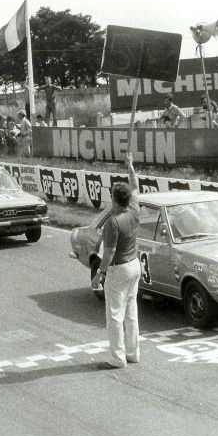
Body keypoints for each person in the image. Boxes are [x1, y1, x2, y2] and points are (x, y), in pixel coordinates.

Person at [91, 153, 141, 369]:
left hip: (119, 269)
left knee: (114, 315)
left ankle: (117, 358)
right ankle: (132, 353)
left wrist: (98, 275)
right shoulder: (135, 209)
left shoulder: (112, 222)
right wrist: (130, 166)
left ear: (113, 199)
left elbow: (109, 253)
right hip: (134, 266)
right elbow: (136, 185)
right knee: (131, 312)